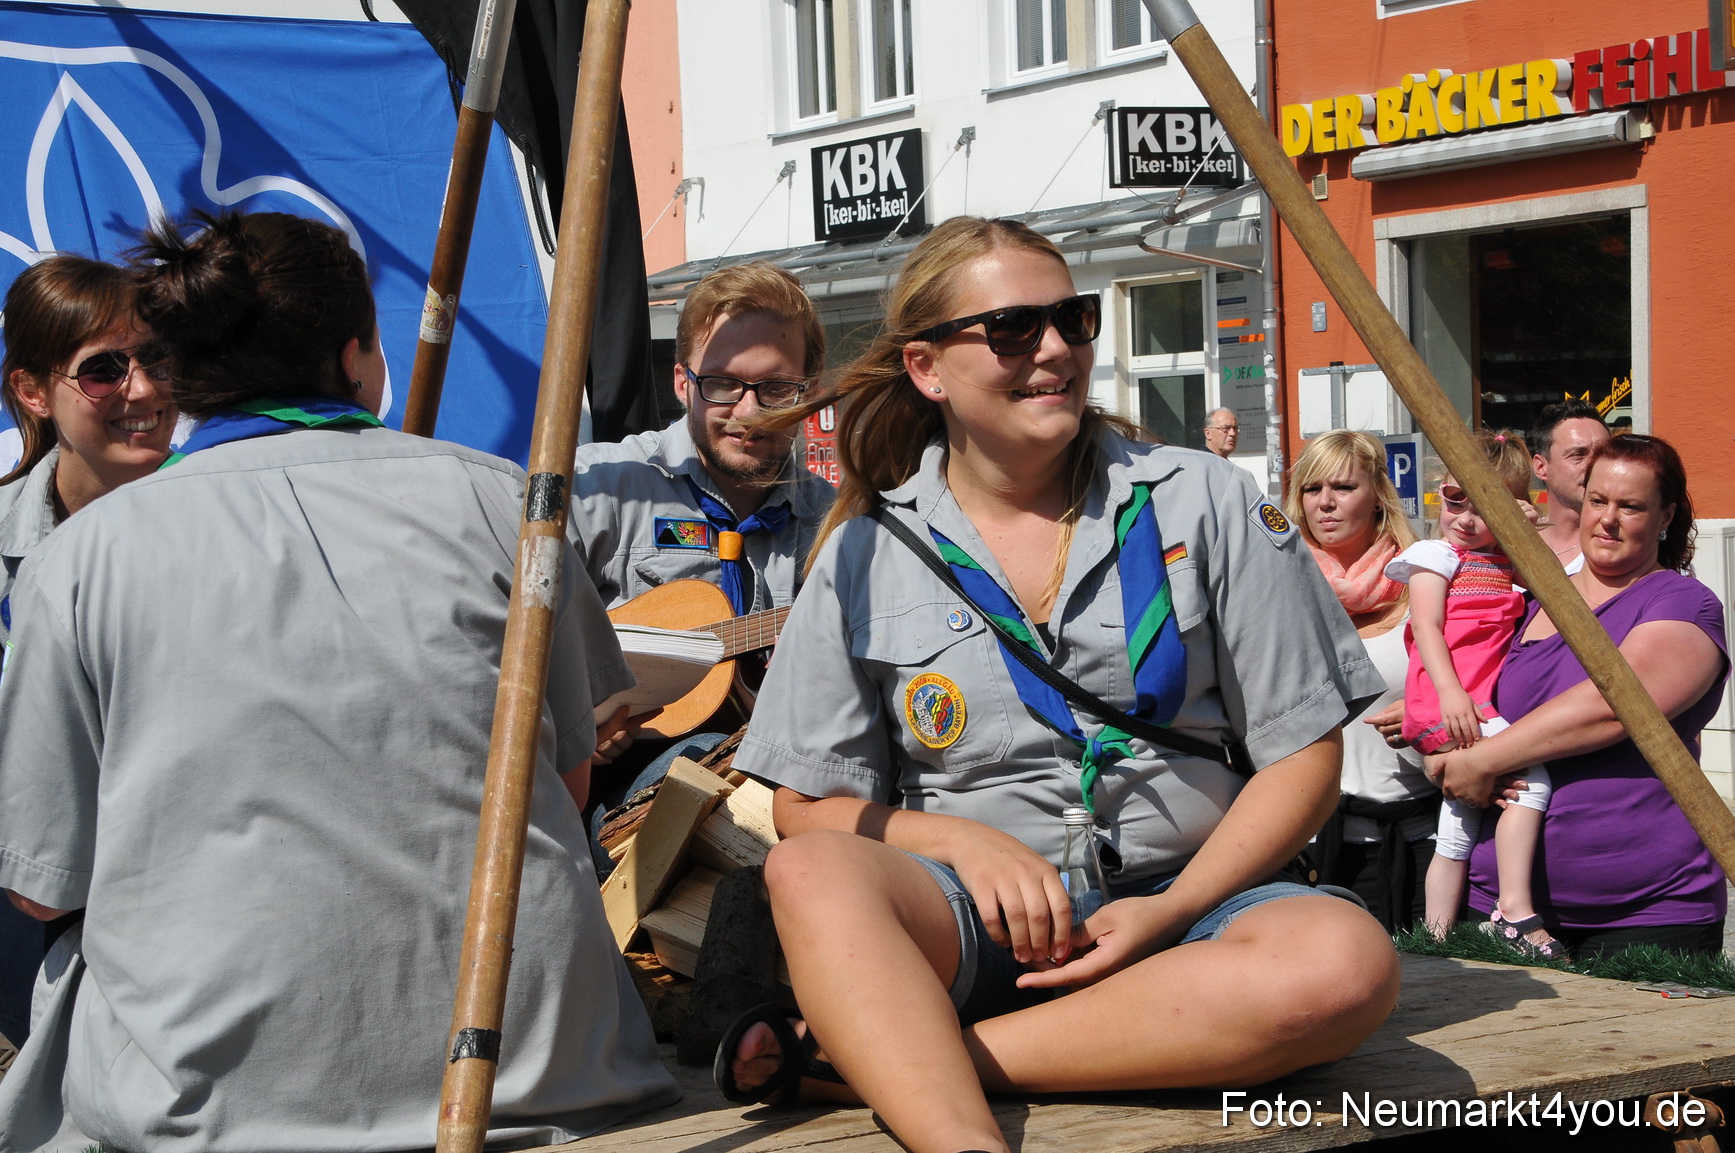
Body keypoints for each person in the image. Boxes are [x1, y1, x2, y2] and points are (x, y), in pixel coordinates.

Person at [715, 217, 1397, 1153]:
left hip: (1196, 907)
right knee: (807, 870)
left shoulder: (1204, 498)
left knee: (1343, 965)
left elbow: (1304, 752)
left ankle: (899, 1058)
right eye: (1010, 328)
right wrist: (960, 842)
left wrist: (1168, 909)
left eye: (1070, 319)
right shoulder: (864, 552)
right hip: (969, 918)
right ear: (926, 367)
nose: (1053, 350)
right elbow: (805, 808)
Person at [0, 210, 677, 1151]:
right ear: (357, 355)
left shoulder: (81, 559)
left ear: (182, 368)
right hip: (535, 1068)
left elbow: (43, 886)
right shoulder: (506, 503)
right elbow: (561, 783)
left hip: (215, 1102)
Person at [567, 262, 836, 856]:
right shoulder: (598, 488)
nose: (748, 412)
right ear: (682, 383)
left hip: (788, 773)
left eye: (775, 389)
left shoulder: (838, 523)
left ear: (809, 392)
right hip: (620, 796)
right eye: (722, 384)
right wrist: (567, 716)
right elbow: (498, 627)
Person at [1435, 435, 1729, 959]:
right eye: (1598, 500)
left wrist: (1481, 761)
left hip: (1648, 912)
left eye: (1630, 506)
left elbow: (1617, 707)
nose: (1608, 520)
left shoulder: (1683, 602)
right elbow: (1471, 696)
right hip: (1498, 907)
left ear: (1666, 516)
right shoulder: (1526, 603)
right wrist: (1436, 741)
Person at [0, 255, 176, 1049]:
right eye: (104, 370)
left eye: (157, 358)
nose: (143, 389)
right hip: (32, 899)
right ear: (34, 391)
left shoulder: (235, 516)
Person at [1382, 432, 1558, 954]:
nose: (1465, 516)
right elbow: (1426, 627)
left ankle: (1435, 936)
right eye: (1455, 498)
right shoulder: (1435, 555)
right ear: (1440, 490)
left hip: (1463, 702)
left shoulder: (1501, 559)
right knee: (1533, 786)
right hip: (1455, 702)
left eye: (1485, 507)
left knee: (1456, 828)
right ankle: (1515, 909)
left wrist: (1526, 528)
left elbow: (1549, 581)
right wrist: (1451, 693)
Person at [1287, 430, 1432, 933]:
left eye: (1344, 487)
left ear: (1378, 497)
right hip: (1307, 849)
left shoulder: (1426, 583)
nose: (1324, 502)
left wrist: (1429, 714)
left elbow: (1481, 692)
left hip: (1419, 843)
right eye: (1312, 488)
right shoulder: (1277, 588)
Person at [1530, 400, 1610, 572]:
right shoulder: (1513, 543)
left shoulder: (1622, 549)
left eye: (1602, 454)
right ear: (1541, 467)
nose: (1593, 465)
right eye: (1578, 454)